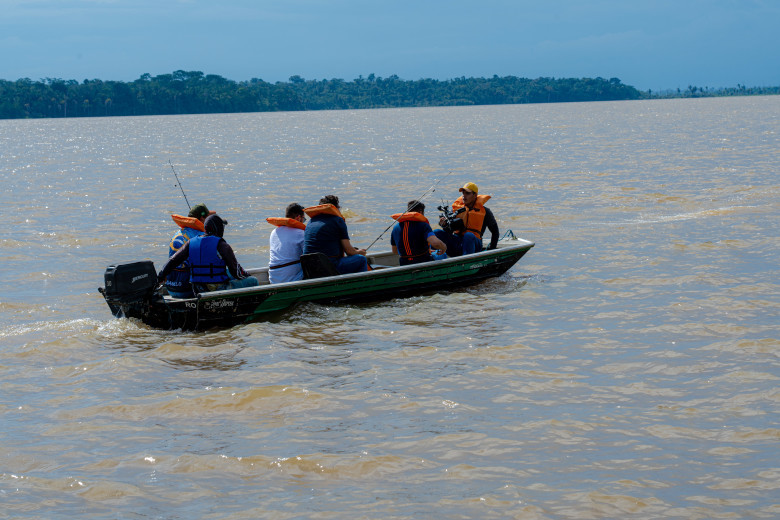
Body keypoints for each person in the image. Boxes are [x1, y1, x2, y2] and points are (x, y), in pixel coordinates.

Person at [157, 214, 259, 294]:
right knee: (253, 281)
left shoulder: (191, 242)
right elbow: (236, 273)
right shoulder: (222, 245)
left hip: (197, 289)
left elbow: (173, 260)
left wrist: (161, 276)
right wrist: (246, 275)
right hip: (217, 289)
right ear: (218, 228)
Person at [303, 195, 368, 274]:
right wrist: (359, 252)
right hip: (329, 267)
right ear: (336, 208)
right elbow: (349, 251)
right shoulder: (338, 221)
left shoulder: (310, 222)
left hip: (310, 268)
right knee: (361, 259)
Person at [164, 202, 214, 298]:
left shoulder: (177, 234)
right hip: (188, 290)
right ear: (203, 218)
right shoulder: (201, 237)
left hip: (171, 288)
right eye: (208, 218)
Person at [434, 182, 499, 256]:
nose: (464, 196)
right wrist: (444, 225)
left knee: (468, 236)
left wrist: (492, 250)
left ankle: (466, 262)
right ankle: (434, 258)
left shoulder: (485, 212)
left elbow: (495, 232)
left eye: (467, 193)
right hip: (457, 243)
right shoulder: (456, 210)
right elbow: (448, 231)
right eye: (463, 193)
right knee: (436, 232)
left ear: (475, 195)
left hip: (474, 245)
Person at [390, 200, 447, 266]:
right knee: (443, 255)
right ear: (420, 212)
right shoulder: (423, 225)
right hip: (423, 262)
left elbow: (395, 251)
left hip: (404, 264)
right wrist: (444, 247)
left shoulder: (396, 227)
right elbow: (435, 243)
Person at [266, 203, 306, 283]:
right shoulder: (300, 233)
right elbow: (308, 256)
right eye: (304, 219)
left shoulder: (274, 232)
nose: (304, 222)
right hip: (292, 279)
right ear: (298, 218)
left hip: (273, 278)